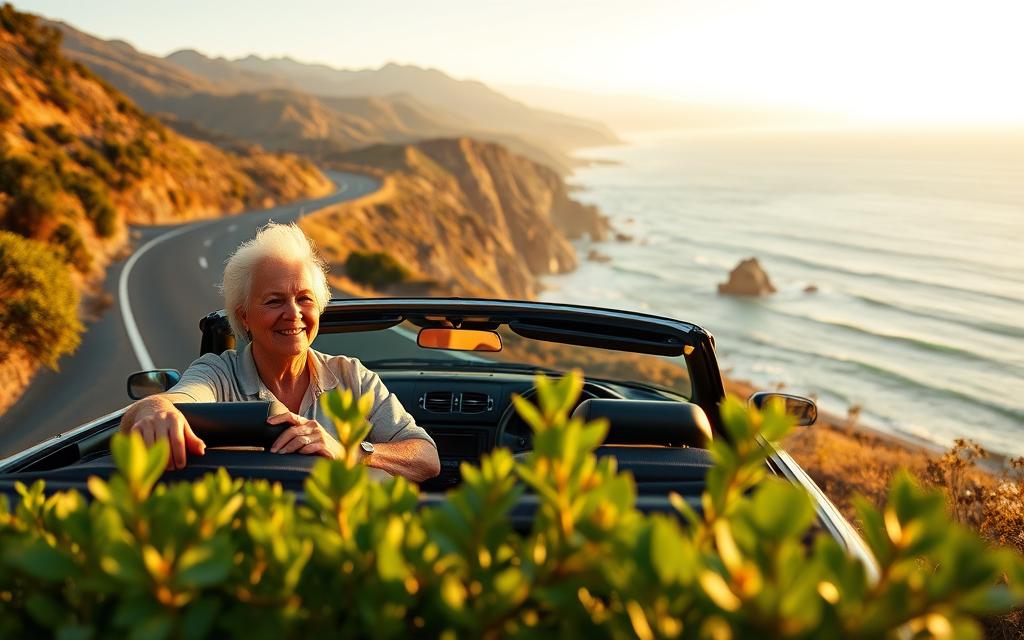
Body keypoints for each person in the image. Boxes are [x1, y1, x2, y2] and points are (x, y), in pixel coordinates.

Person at [120, 222, 440, 482]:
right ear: (244, 315)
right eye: (274, 301)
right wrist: (155, 409)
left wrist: (351, 451)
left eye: (304, 298)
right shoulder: (218, 373)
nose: (293, 314)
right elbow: (170, 402)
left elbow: (426, 457)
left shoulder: (351, 376)